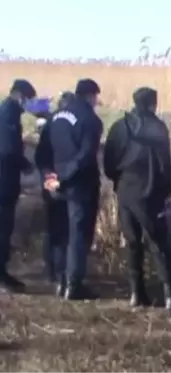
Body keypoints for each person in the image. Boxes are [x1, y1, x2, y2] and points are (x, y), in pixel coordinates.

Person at [103, 87, 171, 310]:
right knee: (158, 243)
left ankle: (136, 293)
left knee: (132, 243)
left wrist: (119, 180)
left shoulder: (119, 127)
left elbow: (108, 162)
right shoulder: (158, 128)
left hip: (125, 191)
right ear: (153, 104)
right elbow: (165, 166)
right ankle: (170, 295)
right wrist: (165, 191)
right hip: (151, 192)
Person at [48, 79, 103, 300]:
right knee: (78, 235)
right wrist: (64, 176)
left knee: (60, 233)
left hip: (55, 183)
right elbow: (86, 155)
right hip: (80, 185)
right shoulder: (91, 120)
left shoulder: (56, 117)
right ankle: (74, 285)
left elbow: (45, 149)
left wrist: (49, 175)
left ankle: (60, 280)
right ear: (90, 95)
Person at [0, 79, 37, 292]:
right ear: (21, 96)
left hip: (6, 179)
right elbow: (6, 149)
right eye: (29, 100)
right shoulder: (8, 114)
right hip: (3, 181)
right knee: (3, 228)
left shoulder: (8, 111)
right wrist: (25, 165)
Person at [34, 91, 75, 285]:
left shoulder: (50, 125)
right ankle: (61, 271)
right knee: (64, 228)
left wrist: (47, 174)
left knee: (52, 227)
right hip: (65, 183)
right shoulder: (72, 126)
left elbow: (40, 155)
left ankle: (51, 270)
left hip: (50, 181)